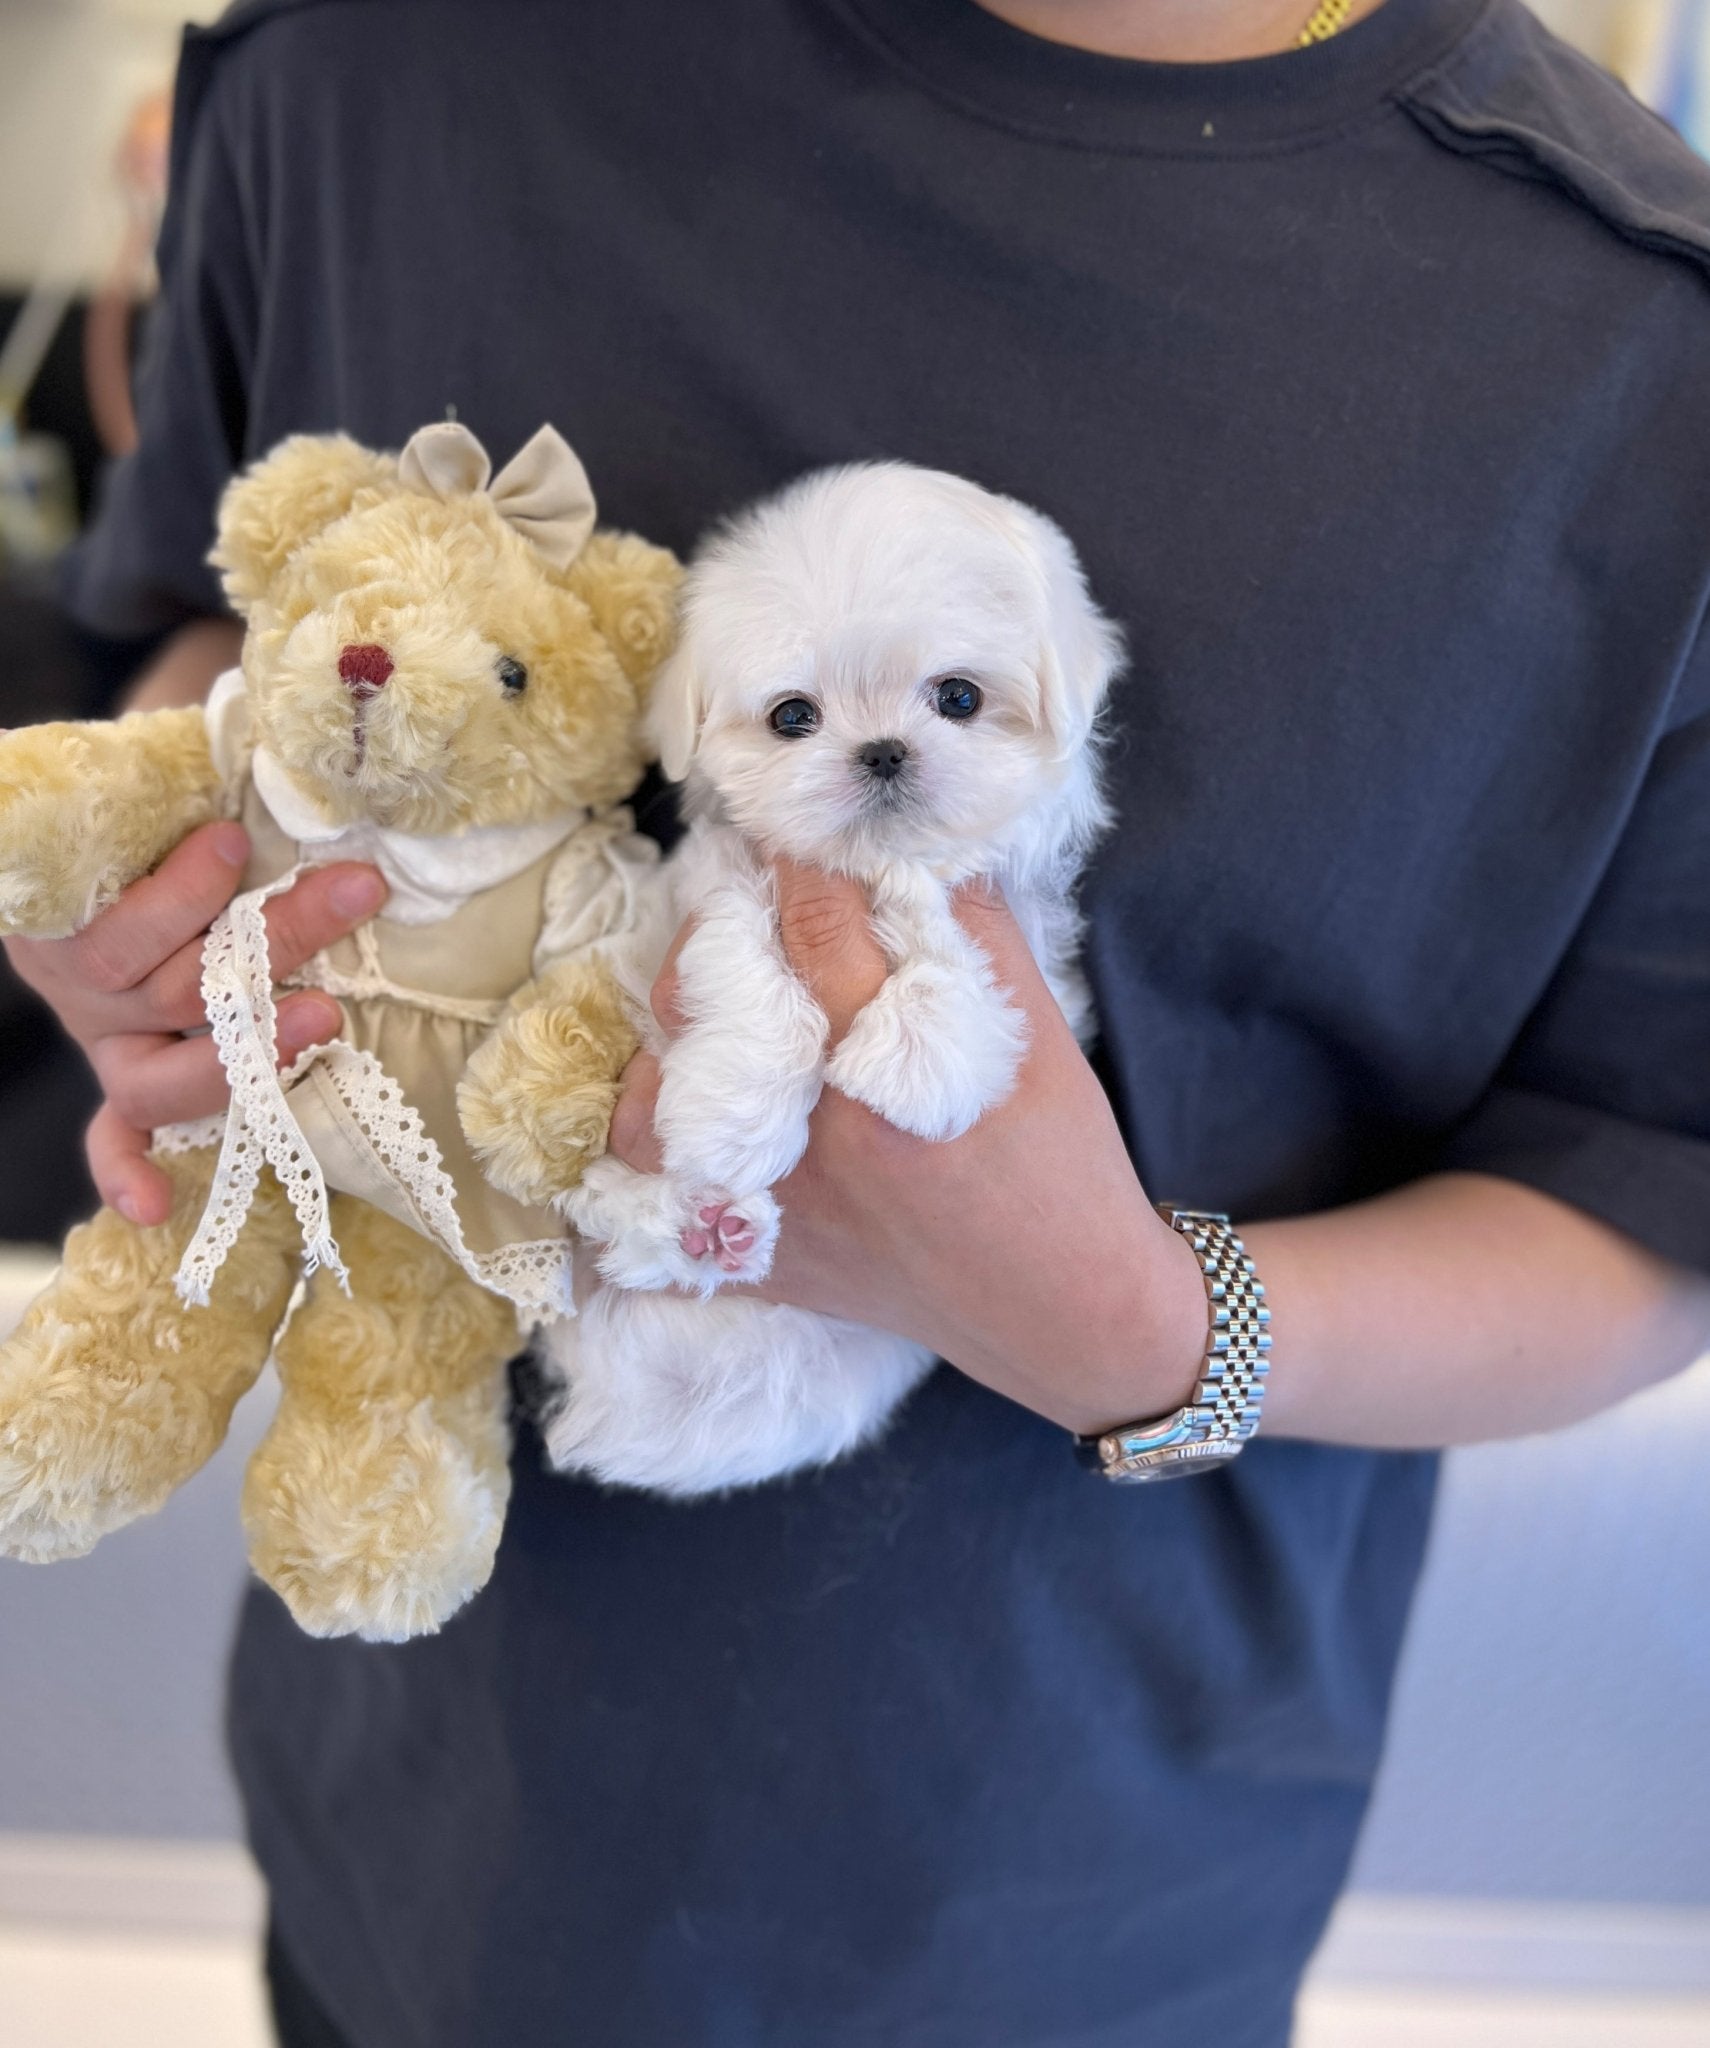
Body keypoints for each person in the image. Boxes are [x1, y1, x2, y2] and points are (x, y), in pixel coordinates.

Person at [13, 0, 1710, 2041]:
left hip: (1082, 1917)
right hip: (405, 1840)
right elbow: (217, 622)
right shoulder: (376, 67)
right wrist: (175, 900)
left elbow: (1642, 1192)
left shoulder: (1638, 352)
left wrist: (1146, 1326)